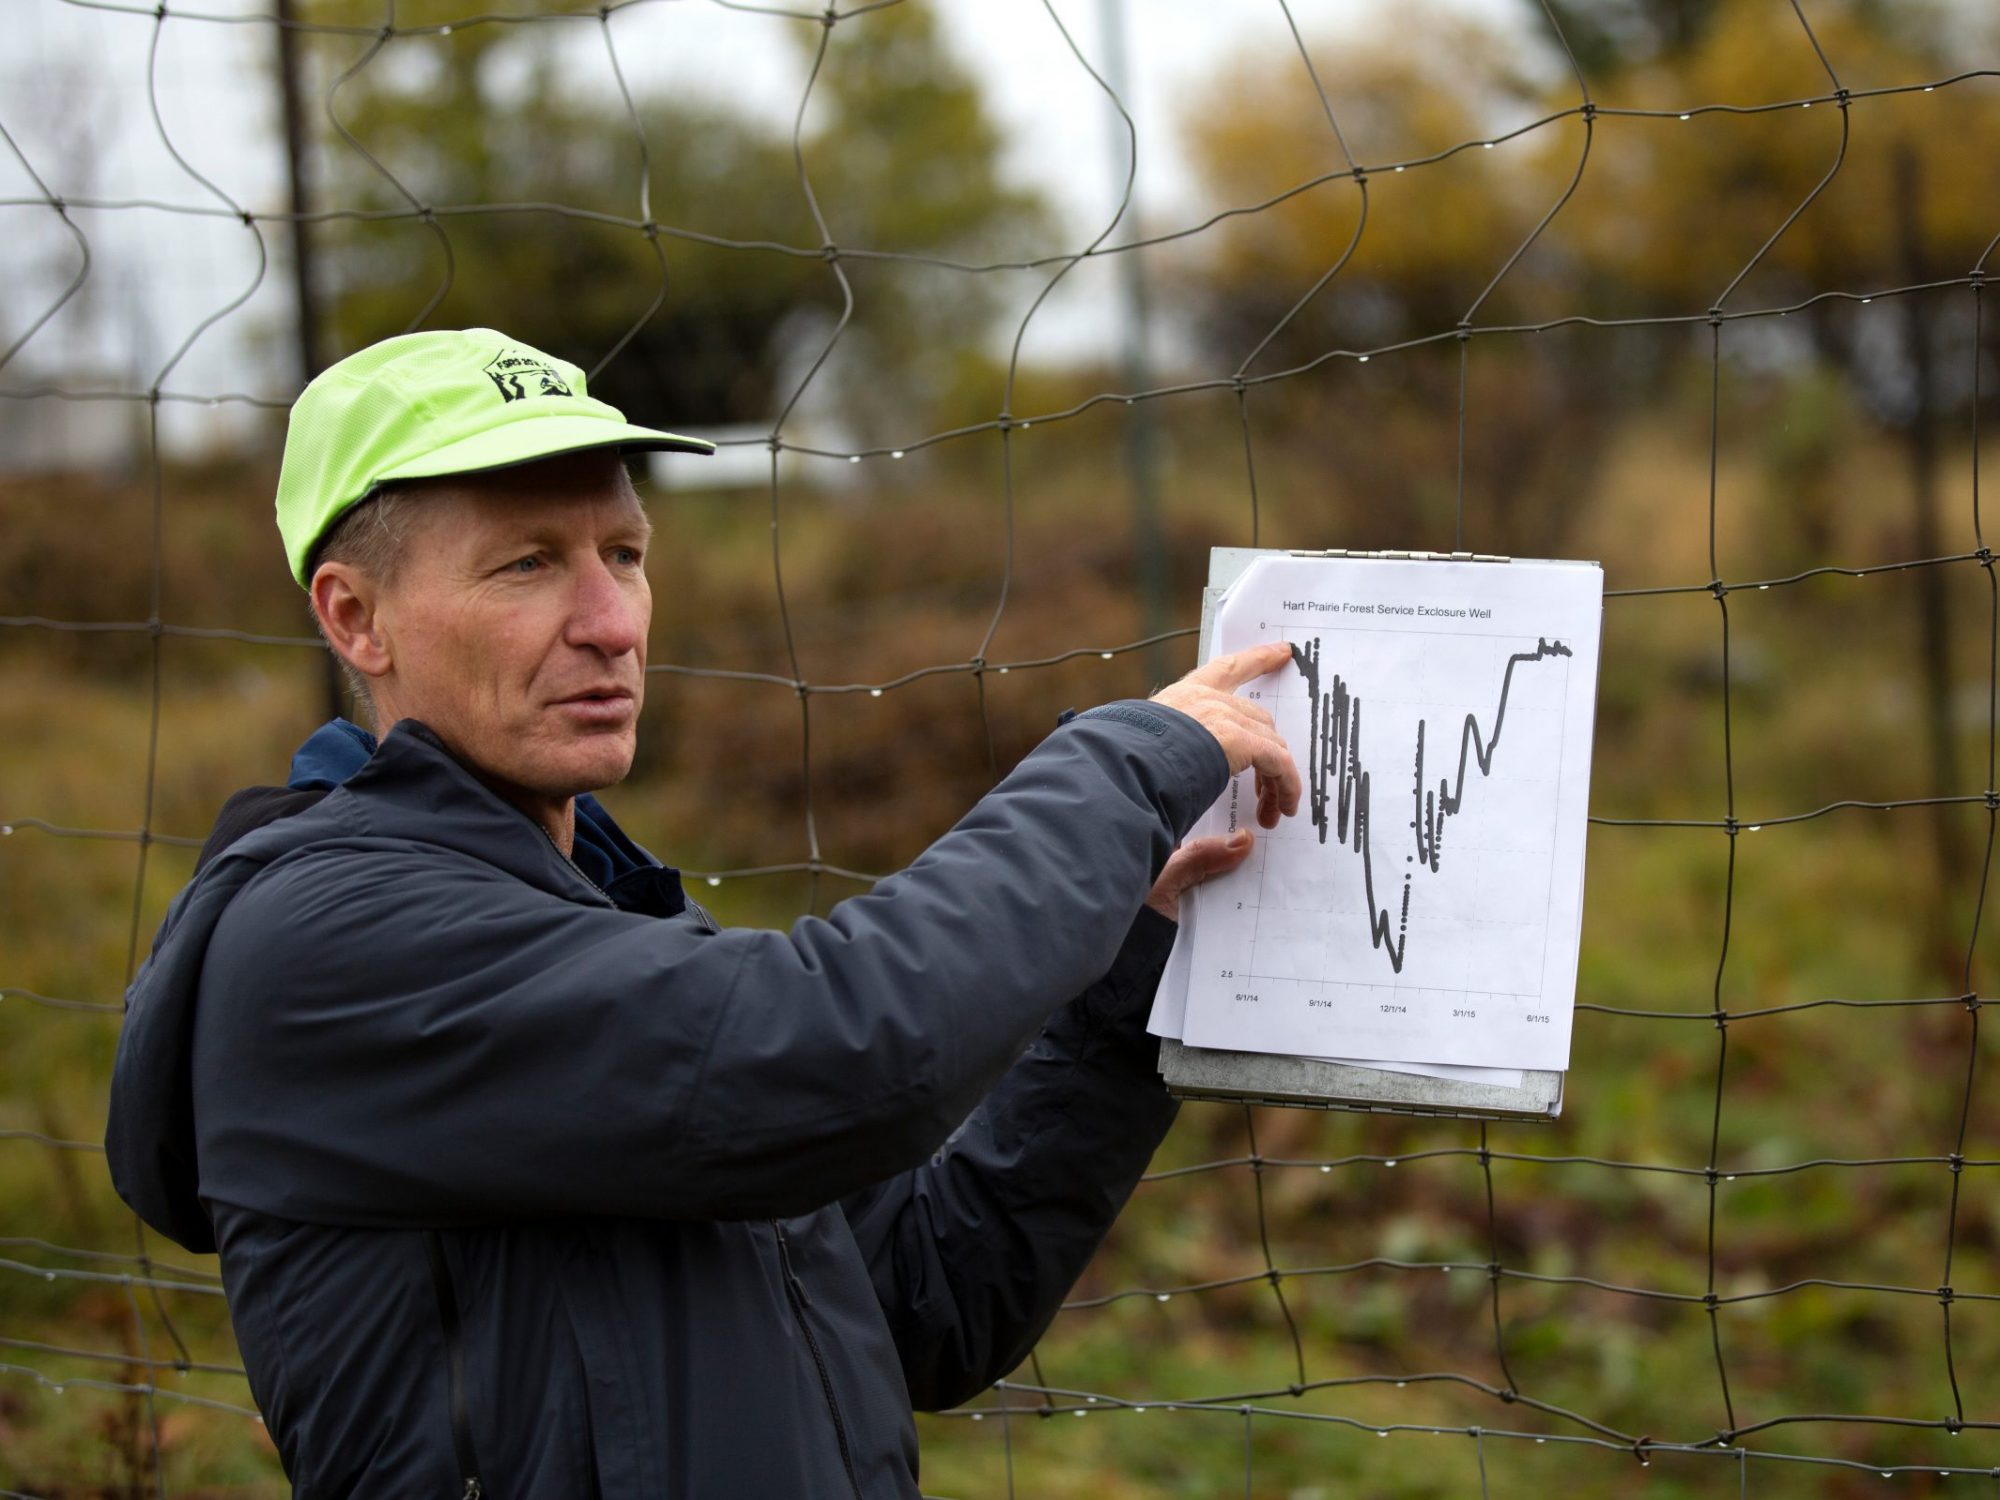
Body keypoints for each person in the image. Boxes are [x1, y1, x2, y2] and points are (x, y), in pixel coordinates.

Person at [106, 329, 1300, 1498]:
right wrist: (1126, 765)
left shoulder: (602, 911)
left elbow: (933, 1299)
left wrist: (1121, 961)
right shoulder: (334, 941)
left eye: (622, 554)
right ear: (355, 618)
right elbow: (842, 1049)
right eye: (526, 564)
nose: (613, 623)